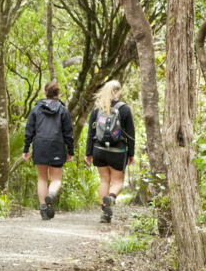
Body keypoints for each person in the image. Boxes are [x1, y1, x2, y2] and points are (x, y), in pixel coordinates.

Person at [23, 81, 75, 220]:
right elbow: (68, 133)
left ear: (45, 93)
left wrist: (26, 148)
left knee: (42, 178)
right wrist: (70, 150)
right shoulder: (63, 110)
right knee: (56, 179)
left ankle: (43, 209)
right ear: (58, 94)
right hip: (57, 146)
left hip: (40, 145)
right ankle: (51, 195)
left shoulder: (36, 109)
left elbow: (29, 131)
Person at [85, 80, 135, 223]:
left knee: (104, 180)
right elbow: (131, 134)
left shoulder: (97, 108)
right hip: (117, 150)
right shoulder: (125, 109)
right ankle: (111, 198)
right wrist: (131, 154)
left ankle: (105, 214)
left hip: (98, 149)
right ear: (118, 91)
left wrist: (88, 153)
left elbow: (91, 132)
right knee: (118, 182)